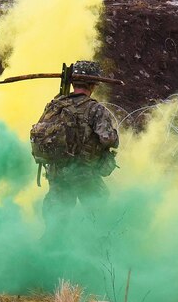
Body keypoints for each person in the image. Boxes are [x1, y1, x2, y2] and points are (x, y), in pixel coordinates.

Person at [30, 60, 119, 218]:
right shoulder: (94, 109)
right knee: (98, 211)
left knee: (57, 214)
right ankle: (94, 240)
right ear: (92, 85)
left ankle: (52, 240)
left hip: (56, 170)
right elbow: (108, 139)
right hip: (82, 171)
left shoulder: (55, 105)